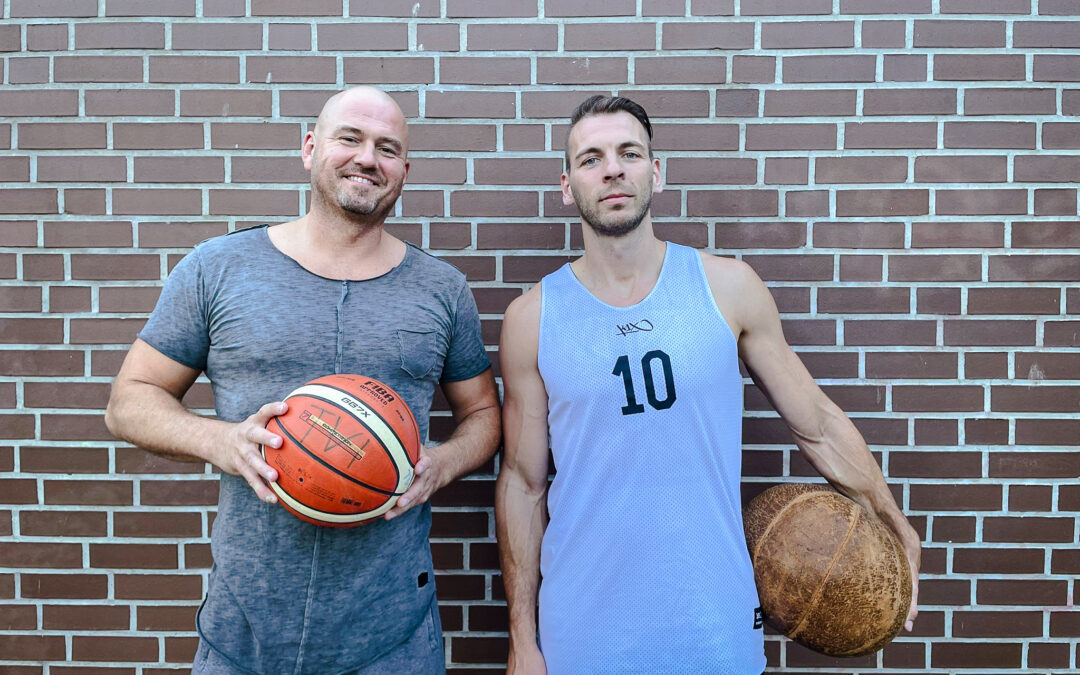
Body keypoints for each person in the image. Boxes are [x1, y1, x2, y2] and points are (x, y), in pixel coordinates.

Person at [495, 95, 921, 674]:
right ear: (568, 186)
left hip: (714, 627)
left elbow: (817, 426)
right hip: (583, 630)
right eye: (591, 158)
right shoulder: (532, 319)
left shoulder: (727, 287)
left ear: (656, 173)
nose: (613, 169)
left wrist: (892, 520)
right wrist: (522, 640)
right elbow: (523, 485)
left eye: (629, 153)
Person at [105, 86, 501, 674]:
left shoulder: (442, 289)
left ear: (404, 170)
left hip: (391, 632)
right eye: (350, 138)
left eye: (387, 148)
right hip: (244, 630)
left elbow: (484, 414)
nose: (367, 158)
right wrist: (222, 440)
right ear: (310, 148)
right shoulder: (219, 268)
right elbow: (128, 401)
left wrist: (441, 464)